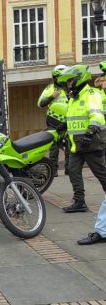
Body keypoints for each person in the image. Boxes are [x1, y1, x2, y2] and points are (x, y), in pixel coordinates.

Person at [56, 65, 106, 219]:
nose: (68, 85)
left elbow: (97, 116)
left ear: (79, 79)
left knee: (101, 174)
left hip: (91, 142)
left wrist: (90, 133)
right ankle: (80, 201)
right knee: (73, 171)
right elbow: (74, 118)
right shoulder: (74, 98)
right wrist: (64, 125)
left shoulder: (91, 94)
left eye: (70, 81)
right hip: (76, 144)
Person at [37, 65, 69, 175]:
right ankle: (53, 171)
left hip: (68, 122)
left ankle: (69, 170)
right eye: (62, 77)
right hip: (54, 122)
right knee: (54, 148)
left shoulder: (70, 88)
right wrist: (52, 96)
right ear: (55, 77)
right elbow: (40, 103)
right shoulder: (50, 88)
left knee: (69, 146)